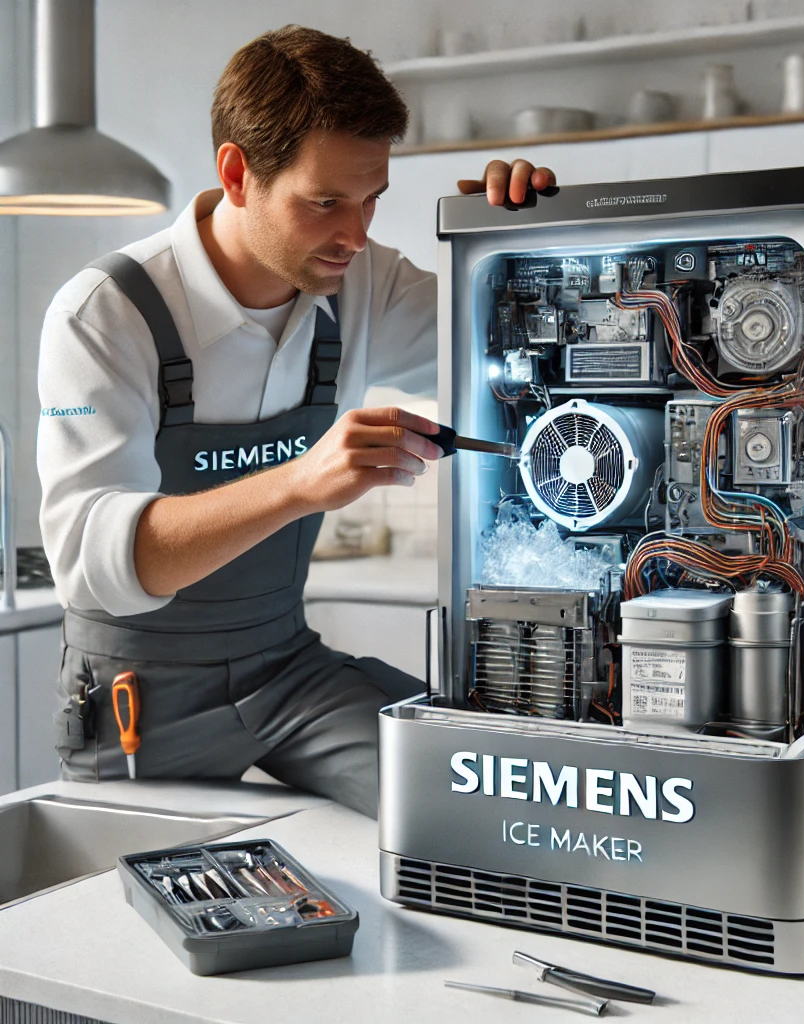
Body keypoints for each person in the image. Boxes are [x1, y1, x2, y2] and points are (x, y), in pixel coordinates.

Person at [36, 25, 556, 817]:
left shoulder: (363, 285)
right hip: (138, 702)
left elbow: (527, 343)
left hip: (286, 675)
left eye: (371, 199)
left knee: (483, 793)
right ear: (238, 173)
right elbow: (93, 566)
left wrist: (517, 243)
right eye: (324, 203)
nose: (357, 234)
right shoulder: (105, 314)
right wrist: (299, 484)